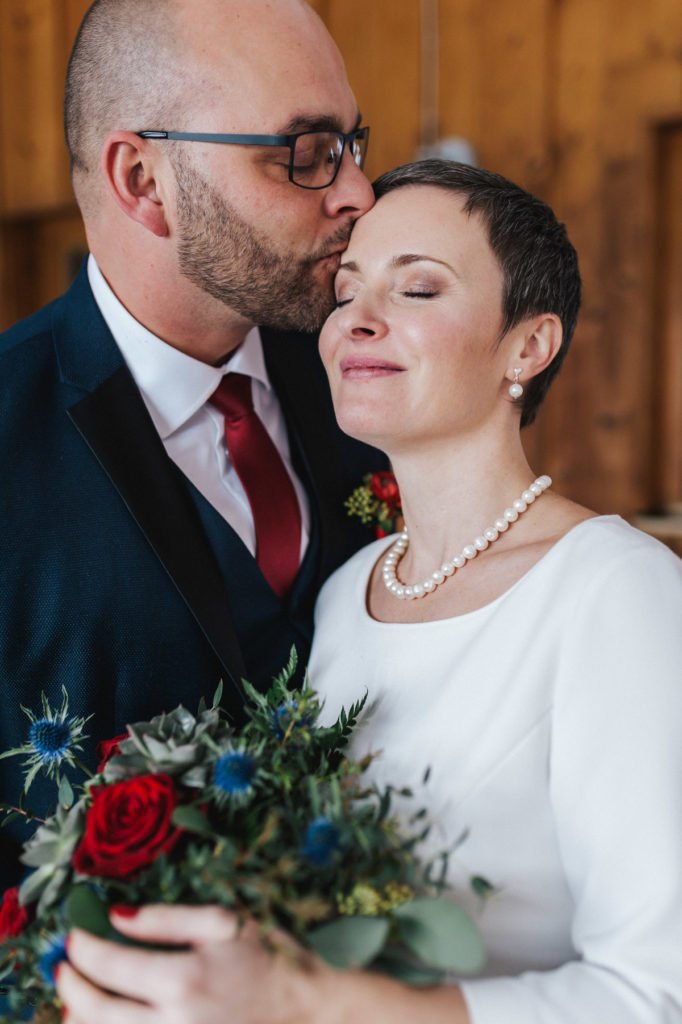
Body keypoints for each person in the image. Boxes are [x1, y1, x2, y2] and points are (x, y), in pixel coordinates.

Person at [56, 160, 682, 1023]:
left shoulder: (616, 592)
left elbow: (658, 992)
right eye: (345, 294)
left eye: (418, 288)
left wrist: (309, 1003)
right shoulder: (349, 590)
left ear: (529, 346)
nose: (359, 321)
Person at [0, 0, 381, 890]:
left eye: (353, 143)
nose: (358, 191)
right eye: (303, 151)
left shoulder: (368, 375)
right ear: (142, 180)